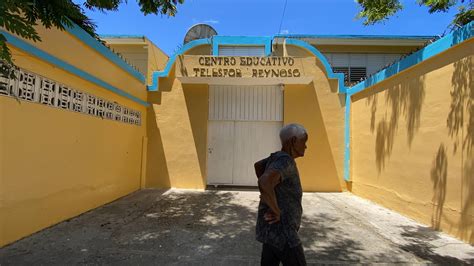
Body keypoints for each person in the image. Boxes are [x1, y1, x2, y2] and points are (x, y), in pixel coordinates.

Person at [254, 123, 308, 266]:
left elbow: (258, 165)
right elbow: (265, 182)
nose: (306, 146)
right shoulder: (286, 161)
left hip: (271, 232)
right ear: (293, 141)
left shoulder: (277, 157)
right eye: (304, 141)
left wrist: (270, 195)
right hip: (284, 233)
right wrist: (275, 209)